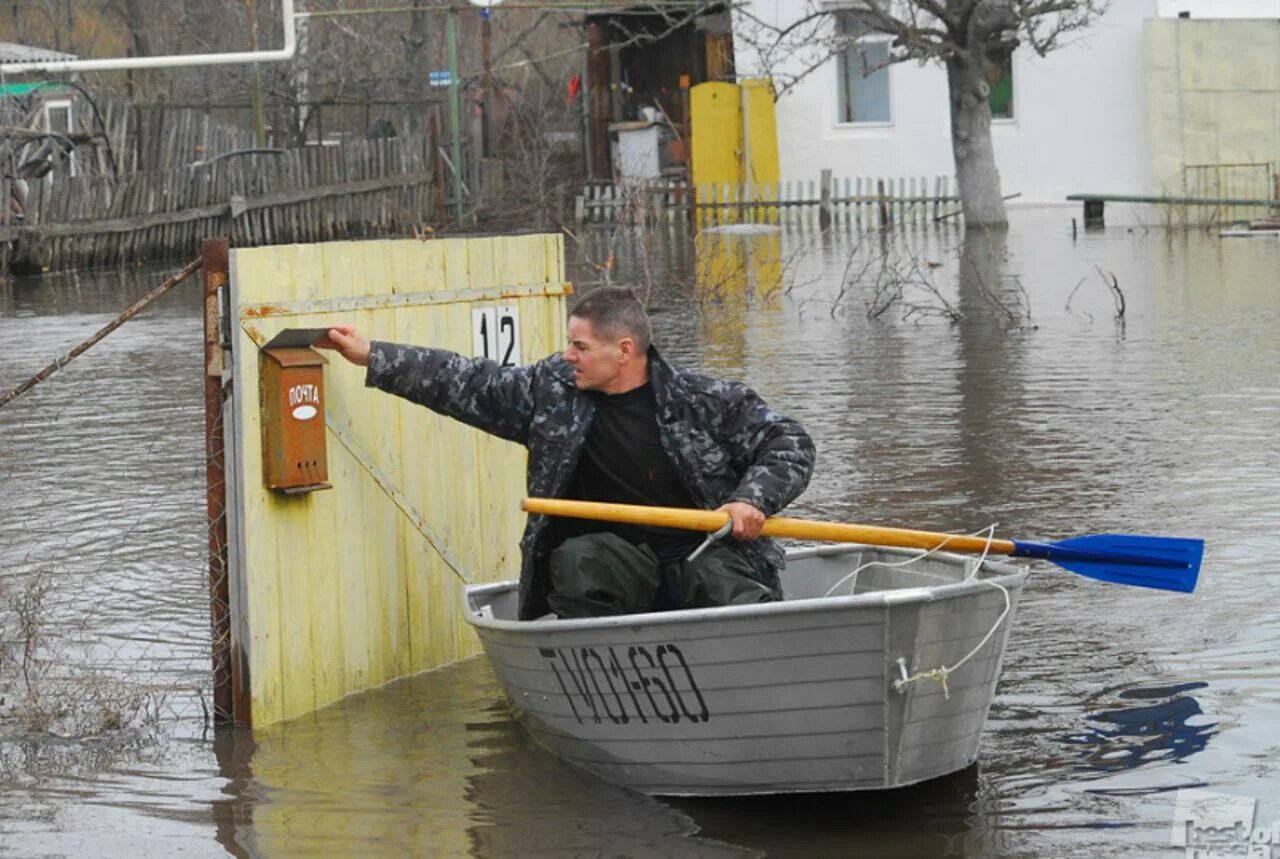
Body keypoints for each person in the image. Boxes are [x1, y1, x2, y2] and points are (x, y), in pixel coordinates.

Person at [317, 285, 814, 621]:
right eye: (568, 344)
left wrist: (752, 501)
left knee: (726, 583)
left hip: (700, 552)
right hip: (612, 566)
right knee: (578, 561)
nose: (567, 355)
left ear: (623, 350)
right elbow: (464, 380)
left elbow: (789, 442)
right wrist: (374, 354)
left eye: (579, 346)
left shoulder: (704, 399)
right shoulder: (549, 393)